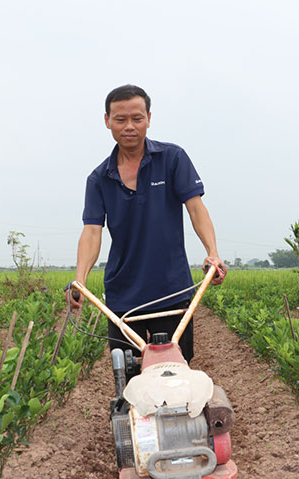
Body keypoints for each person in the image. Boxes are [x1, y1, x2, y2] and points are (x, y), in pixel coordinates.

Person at [68, 84, 227, 363]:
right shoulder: (99, 179)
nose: (129, 126)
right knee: (128, 374)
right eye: (120, 119)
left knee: (177, 372)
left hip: (173, 292)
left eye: (137, 118)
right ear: (107, 121)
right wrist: (80, 280)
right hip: (123, 297)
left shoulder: (172, 158)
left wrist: (212, 253)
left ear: (149, 119)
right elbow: (92, 231)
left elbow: (196, 209)